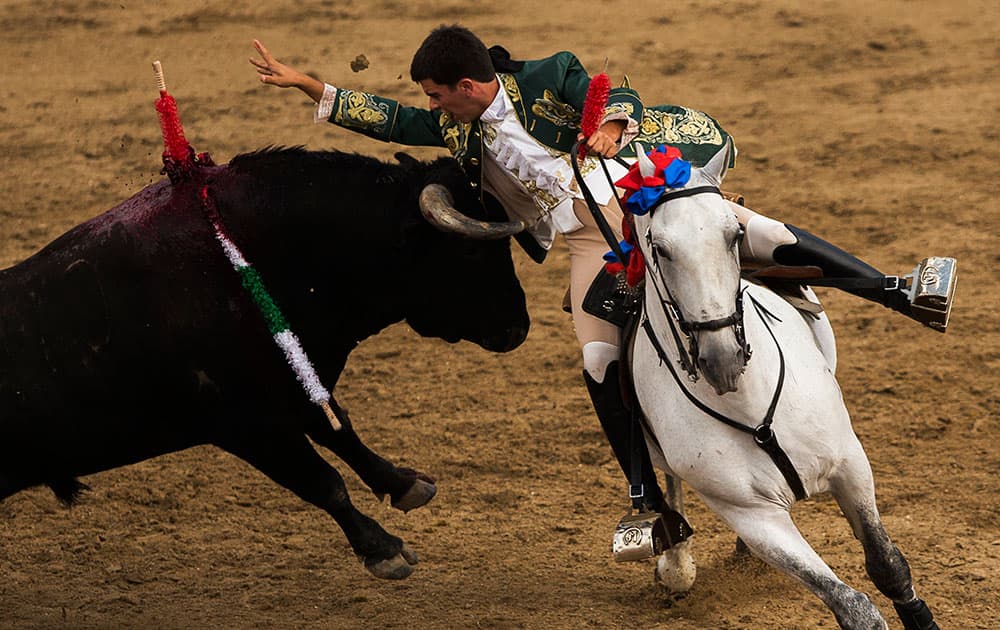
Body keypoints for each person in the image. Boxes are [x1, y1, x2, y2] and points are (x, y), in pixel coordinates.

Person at [249, 25, 954, 550]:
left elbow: (609, 90)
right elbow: (391, 119)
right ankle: (645, 497)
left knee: (759, 231)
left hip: (643, 194)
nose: (431, 107)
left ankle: (898, 290)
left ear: (467, 86)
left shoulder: (547, 74)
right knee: (597, 359)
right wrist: (310, 85)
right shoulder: (455, 129)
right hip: (589, 239)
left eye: (437, 94)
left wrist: (614, 124)